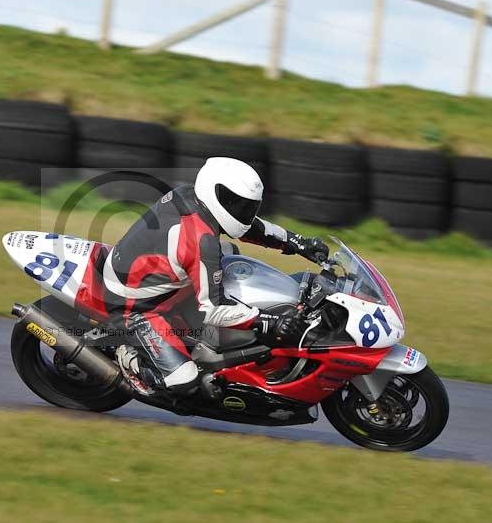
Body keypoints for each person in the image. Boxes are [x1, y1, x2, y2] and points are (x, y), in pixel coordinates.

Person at [106, 157, 329, 395]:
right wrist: (270, 321)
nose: (243, 213)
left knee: (233, 260)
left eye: (247, 206)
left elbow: (249, 227)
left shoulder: (192, 197)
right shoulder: (202, 240)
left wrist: (297, 243)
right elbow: (213, 309)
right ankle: (127, 355)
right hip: (135, 305)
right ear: (215, 193)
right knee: (184, 381)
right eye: (236, 204)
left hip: (153, 275)